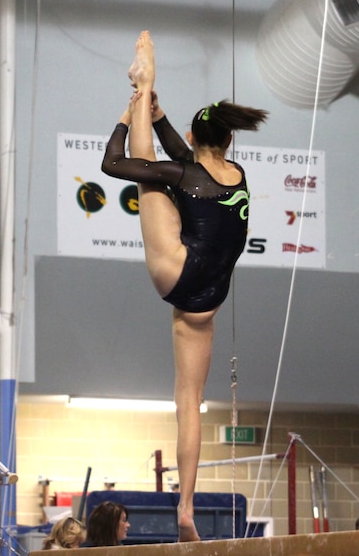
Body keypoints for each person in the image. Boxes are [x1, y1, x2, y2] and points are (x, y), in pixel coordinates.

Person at [100, 30, 268, 542]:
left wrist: (130, 118)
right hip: (208, 298)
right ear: (229, 141)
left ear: (196, 142)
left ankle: (143, 81)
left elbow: (112, 163)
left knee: (149, 178)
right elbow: (191, 160)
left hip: (180, 271)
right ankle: (186, 509)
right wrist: (160, 117)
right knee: (189, 402)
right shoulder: (236, 173)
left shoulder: (190, 172)